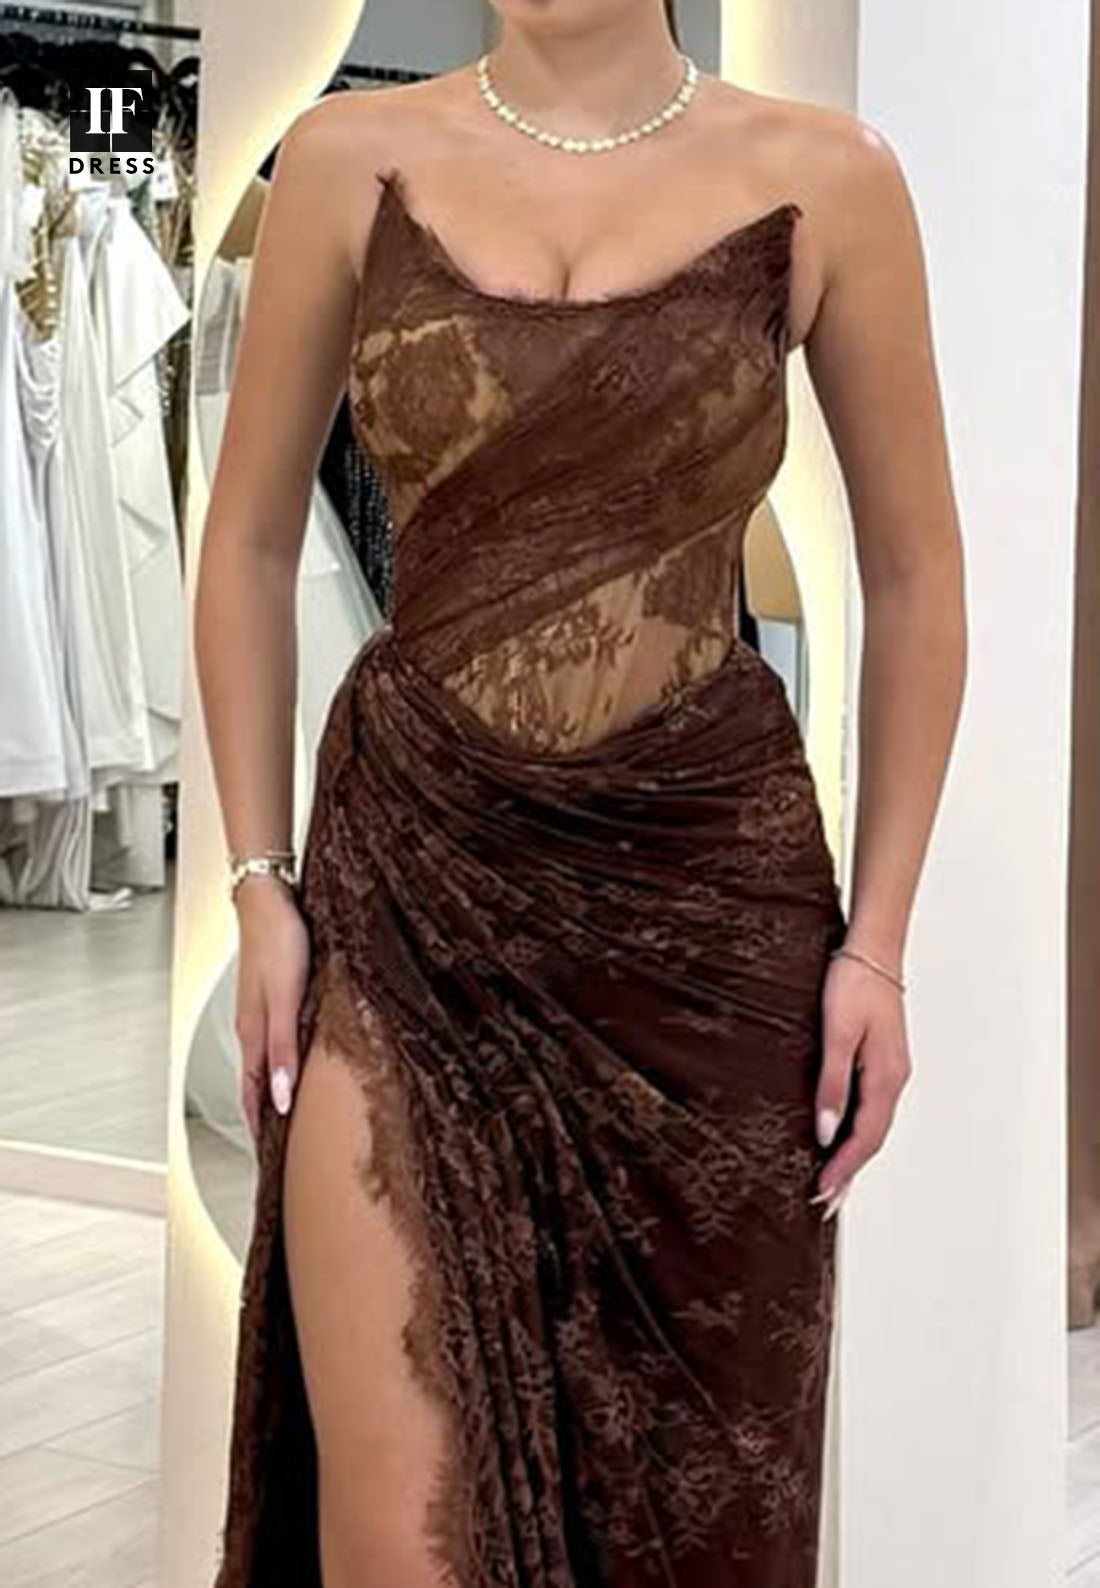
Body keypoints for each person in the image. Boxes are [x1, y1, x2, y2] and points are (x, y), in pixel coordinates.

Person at [193, 1, 967, 1584]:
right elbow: (251, 543)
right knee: (396, 1541)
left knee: (694, 1522)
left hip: (705, 925)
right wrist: (258, 877)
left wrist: (880, 944)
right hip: (411, 896)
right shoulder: (344, 159)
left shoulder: (831, 178)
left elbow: (917, 576)